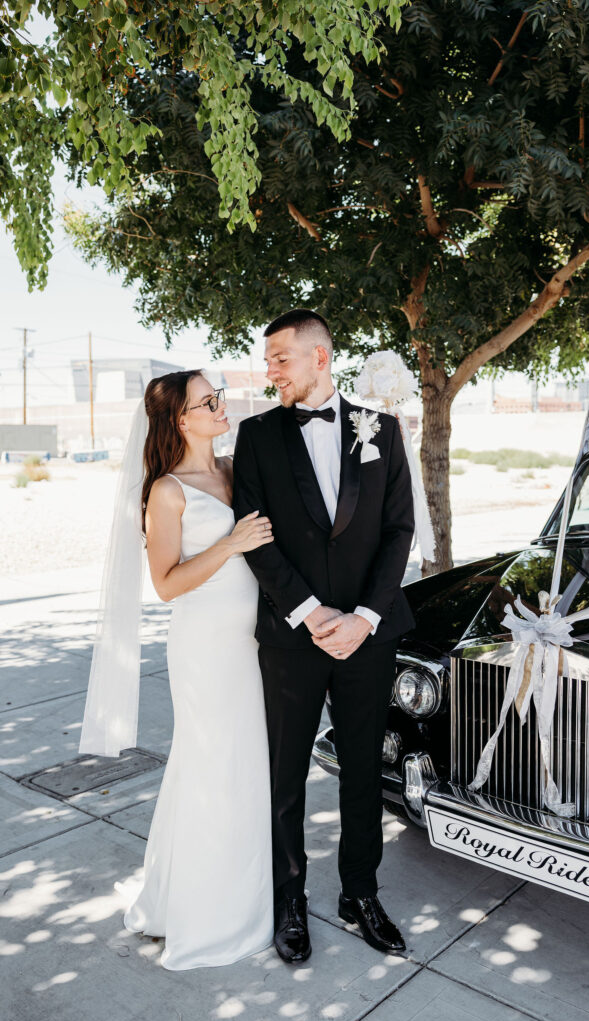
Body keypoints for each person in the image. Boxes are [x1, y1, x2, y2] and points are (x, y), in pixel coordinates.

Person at [232, 309, 415, 963]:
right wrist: (311, 613)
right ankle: (288, 903)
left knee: (363, 770)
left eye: (280, 356)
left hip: (368, 634)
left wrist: (363, 617)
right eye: (268, 358)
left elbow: (398, 530)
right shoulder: (255, 435)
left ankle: (358, 894)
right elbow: (254, 535)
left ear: (319, 358)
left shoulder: (381, 429)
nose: (269, 369)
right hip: (291, 635)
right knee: (284, 774)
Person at [79, 370, 274, 971]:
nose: (221, 405)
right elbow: (165, 585)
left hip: (254, 643)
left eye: (219, 395)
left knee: (244, 770)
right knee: (212, 769)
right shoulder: (168, 490)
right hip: (205, 649)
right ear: (180, 420)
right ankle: (208, 916)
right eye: (207, 400)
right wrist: (229, 545)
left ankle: (229, 898)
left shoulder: (235, 469)